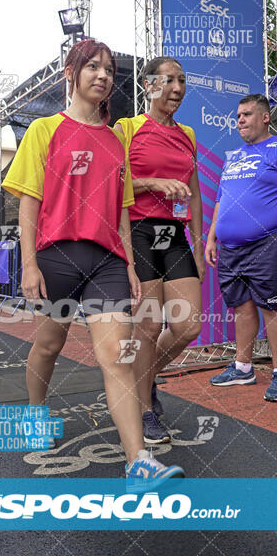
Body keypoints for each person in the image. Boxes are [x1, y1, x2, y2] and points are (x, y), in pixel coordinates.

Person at [2, 39, 185, 486]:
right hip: (57, 256)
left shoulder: (115, 140)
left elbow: (122, 208)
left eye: (108, 70)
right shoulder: (44, 130)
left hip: (107, 263)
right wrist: (29, 264)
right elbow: (29, 207)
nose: (103, 76)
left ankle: (138, 462)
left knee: (115, 357)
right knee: (49, 345)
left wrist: (127, 263)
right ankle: (34, 413)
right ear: (71, 73)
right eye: (93, 67)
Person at [114, 56, 204, 444]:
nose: (177, 88)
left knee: (188, 326)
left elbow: (195, 193)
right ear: (149, 85)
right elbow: (113, 188)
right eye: (169, 80)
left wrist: (198, 244)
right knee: (149, 326)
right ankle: (146, 411)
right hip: (138, 230)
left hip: (175, 234)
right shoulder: (127, 128)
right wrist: (152, 182)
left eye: (182, 81)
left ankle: (143, 382)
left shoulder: (188, 134)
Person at [205, 94, 277, 402]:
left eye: (246, 115)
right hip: (230, 248)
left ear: (264, 117)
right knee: (241, 307)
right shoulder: (233, 155)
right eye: (237, 116)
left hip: (266, 242)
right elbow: (222, 197)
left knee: (271, 308)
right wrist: (211, 237)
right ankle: (243, 367)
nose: (240, 121)